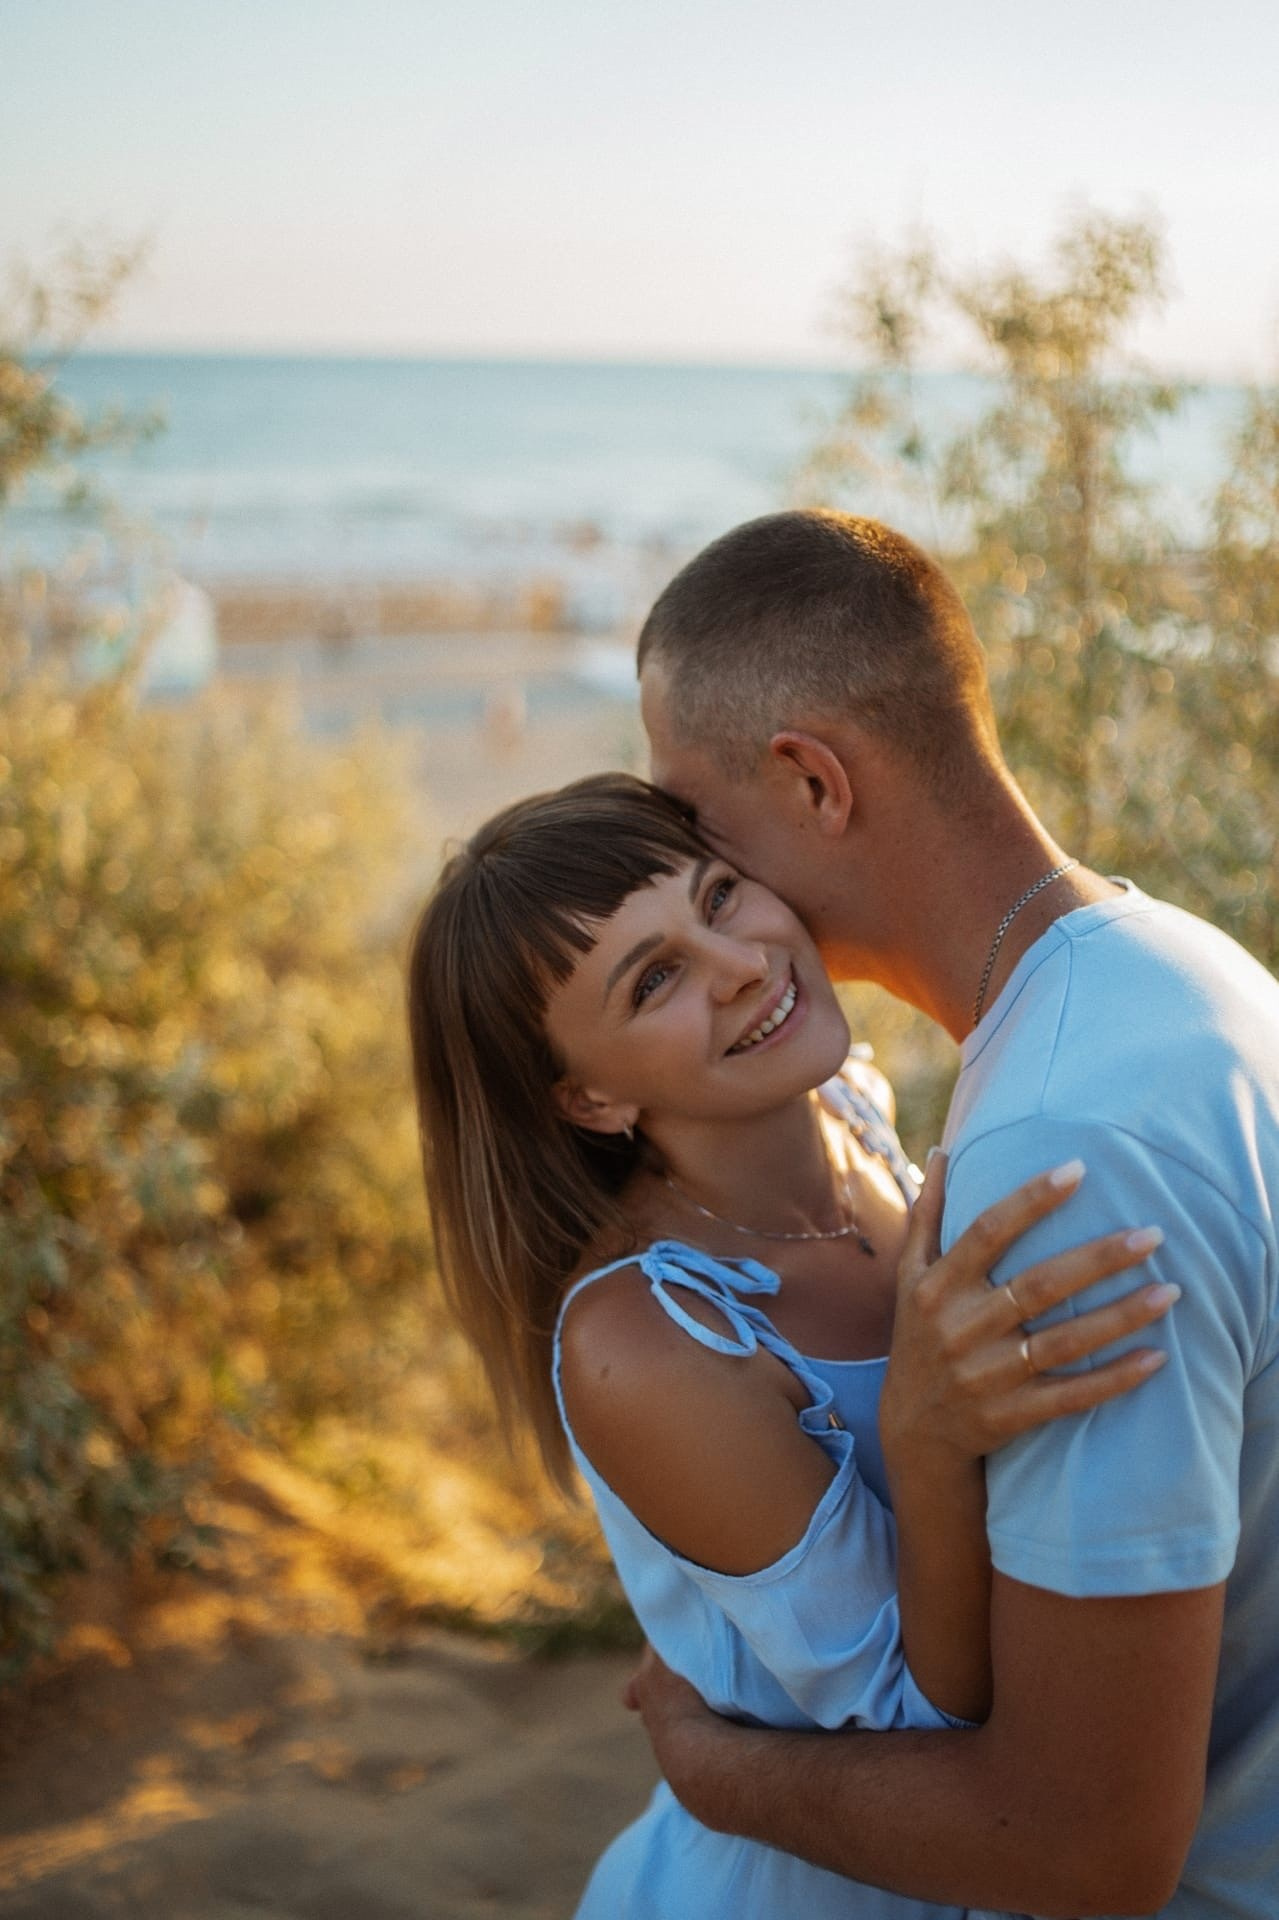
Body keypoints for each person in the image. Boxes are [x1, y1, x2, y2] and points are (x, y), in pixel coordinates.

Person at [626, 508, 1279, 1918]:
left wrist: (710, 1766)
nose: (693, 879)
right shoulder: (1180, 973)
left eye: (694, 823)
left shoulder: (1063, 1149)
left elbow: (1076, 1846)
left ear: (807, 779)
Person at [406, 773, 1174, 1918]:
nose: (742, 965)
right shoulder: (648, 1344)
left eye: (717, 898)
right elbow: (922, 1715)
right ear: (589, 1101)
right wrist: (920, 1435)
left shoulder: (852, 1105)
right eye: (655, 979)